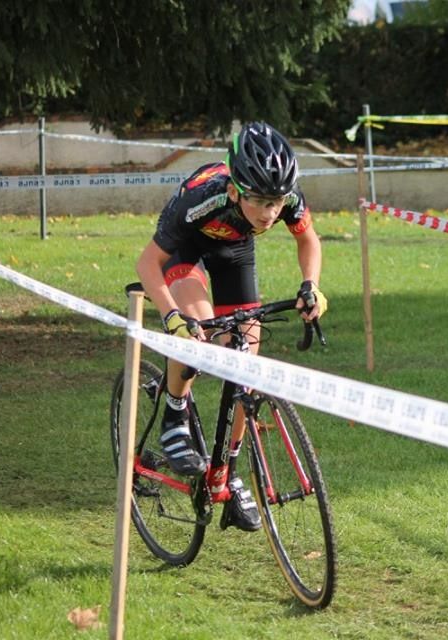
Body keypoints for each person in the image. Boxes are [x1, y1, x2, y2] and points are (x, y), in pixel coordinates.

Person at [136, 121, 326, 531]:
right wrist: (172, 317)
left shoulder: (287, 196)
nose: (270, 213)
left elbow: (308, 239)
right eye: (260, 201)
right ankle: (174, 413)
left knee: (246, 366)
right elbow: (148, 264)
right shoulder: (202, 198)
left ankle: (228, 474)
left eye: (276, 202)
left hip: (234, 252)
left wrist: (311, 285)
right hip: (187, 250)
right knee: (198, 332)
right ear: (236, 190)